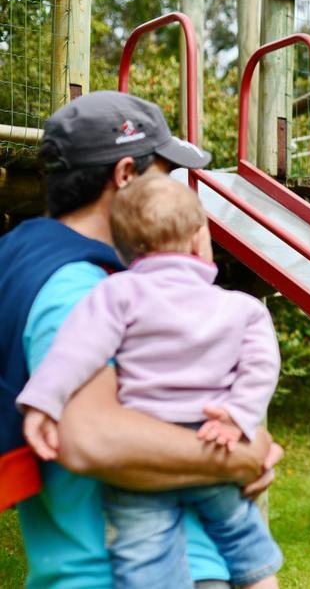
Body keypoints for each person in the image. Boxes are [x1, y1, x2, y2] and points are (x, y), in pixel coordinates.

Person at [0, 90, 281, 589]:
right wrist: (245, 454)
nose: (177, 193)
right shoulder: (79, 288)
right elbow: (95, 439)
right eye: (166, 176)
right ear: (126, 175)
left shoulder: (29, 258)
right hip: (133, 572)